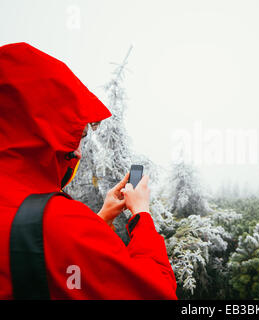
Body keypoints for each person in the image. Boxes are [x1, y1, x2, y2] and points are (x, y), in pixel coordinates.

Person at [0, 42, 177, 299]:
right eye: (77, 138)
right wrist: (142, 215)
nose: (80, 152)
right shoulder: (58, 224)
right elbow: (157, 292)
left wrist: (100, 217)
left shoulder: (38, 221)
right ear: (44, 134)